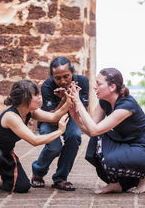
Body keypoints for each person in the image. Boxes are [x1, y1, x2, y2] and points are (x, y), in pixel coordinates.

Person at [67, 68, 145, 194]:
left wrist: (78, 102)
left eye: (99, 84)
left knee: (110, 160)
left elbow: (94, 129)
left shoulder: (127, 105)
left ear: (112, 87)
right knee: (96, 143)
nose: (95, 87)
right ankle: (115, 184)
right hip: (125, 143)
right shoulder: (104, 102)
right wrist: (77, 119)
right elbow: (92, 132)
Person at [0, 79, 72, 197]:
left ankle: (5, 180)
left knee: (23, 186)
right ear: (25, 98)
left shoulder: (30, 111)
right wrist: (60, 131)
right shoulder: (11, 116)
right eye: (36, 95)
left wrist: (69, 101)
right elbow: (34, 141)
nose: (39, 98)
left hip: (5, 155)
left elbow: (54, 117)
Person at [31, 56, 89, 191]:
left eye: (66, 76)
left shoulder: (82, 82)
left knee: (74, 137)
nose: (62, 81)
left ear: (72, 73)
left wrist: (74, 96)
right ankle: (38, 173)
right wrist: (64, 100)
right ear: (52, 77)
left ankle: (61, 178)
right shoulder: (47, 86)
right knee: (54, 147)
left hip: (71, 117)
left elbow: (82, 110)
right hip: (49, 119)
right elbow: (52, 117)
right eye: (58, 78)